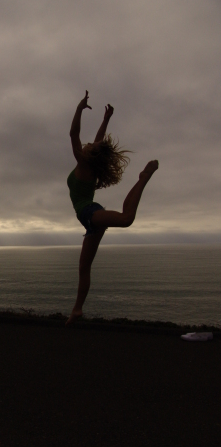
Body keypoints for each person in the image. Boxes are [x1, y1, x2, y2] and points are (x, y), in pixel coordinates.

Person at [66, 91, 158, 326]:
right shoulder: (90, 162)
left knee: (127, 219)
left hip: (89, 213)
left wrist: (78, 109)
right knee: (84, 269)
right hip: (89, 219)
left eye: (88, 146)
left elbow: (73, 133)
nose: (87, 144)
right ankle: (77, 310)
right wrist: (106, 119)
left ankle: (143, 178)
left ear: (88, 154)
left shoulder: (84, 162)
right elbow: (98, 141)